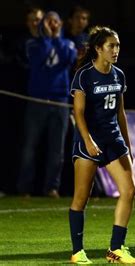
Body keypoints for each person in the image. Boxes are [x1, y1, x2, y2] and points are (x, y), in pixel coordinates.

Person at [69, 26, 135, 264]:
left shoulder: (118, 74)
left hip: (113, 141)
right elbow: (78, 112)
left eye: (118, 45)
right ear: (98, 49)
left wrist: (127, 145)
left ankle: (116, 249)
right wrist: (87, 141)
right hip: (90, 141)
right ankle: (78, 251)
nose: (116, 50)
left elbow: (121, 113)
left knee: (129, 190)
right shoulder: (84, 75)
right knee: (81, 198)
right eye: (111, 45)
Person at [17, 11, 76, 198]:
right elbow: (38, 59)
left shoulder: (68, 43)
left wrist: (56, 38)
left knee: (57, 149)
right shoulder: (33, 43)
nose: (53, 24)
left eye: (56, 21)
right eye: (49, 21)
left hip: (60, 101)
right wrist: (47, 37)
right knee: (30, 146)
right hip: (37, 101)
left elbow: (69, 59)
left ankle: (52, 187)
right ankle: (25, 187)